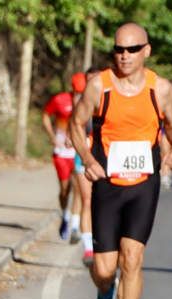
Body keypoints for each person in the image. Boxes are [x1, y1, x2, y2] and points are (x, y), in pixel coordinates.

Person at [70, 22, 172, 299]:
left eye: (133, 49)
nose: (125, 55)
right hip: (108, 182)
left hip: (143, 184)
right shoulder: (99, 86)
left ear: (146, 51)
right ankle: (105, 293)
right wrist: (88, 158)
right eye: (119, 49)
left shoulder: (160, 89)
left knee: (133, 259)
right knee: (105, 270)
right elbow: (76, 124)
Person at [71, 67, 102, 265]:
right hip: (83, 156)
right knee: (87, 199)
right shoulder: (80, 101)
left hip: (105, 158)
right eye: (88, 79)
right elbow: (73, 126)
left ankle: (103, 242)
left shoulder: (109, 99)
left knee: (102, 203)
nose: (92, 83)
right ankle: (88, 249)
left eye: (95, 79)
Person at [43, 78, 79, 241]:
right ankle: (65, 215)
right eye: (77, 91)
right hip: (61, 152)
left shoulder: (89, 100)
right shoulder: (60, 99)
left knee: (79, 188)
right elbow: (45, 115)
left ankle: (75, 224)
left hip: (78, 153)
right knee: (65, 189)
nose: (80, 94)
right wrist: (52, 136)